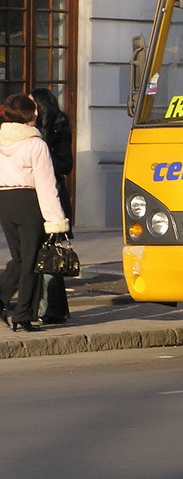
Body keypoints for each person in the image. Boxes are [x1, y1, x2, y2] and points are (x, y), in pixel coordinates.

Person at [0, 93, 69, 332]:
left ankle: (4, 301)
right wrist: (57, 221)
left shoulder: (1, 140)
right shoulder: (35, 143)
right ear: (30, 115)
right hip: (29, 202)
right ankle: (24, 314)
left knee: (19, 259)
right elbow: (46, 184)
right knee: (31, 261)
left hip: (4, 201)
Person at [30, 87, 74, 324]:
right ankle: (51, 308)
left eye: (33, 105)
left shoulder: (57, 126)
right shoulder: (31, 129)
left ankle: (52, 310)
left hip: (53, 198)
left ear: (42, 106)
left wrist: (41, 156)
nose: (30, 111)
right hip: (34, 198)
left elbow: (66, 164)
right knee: (38, 255)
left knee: (50, 255)